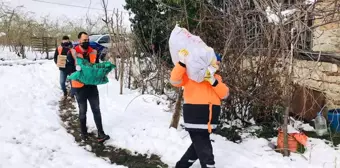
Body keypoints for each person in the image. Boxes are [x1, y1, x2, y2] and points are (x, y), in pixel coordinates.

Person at [170, 52, 230, 168]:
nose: (217, 66)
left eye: (218, 64)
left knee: (198, 147)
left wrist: (213, 81)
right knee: (206, 152)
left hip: (208, 121)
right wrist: (182, 63)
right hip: (195, 118)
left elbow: (225, 94)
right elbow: (174, 80)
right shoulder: (191, 76)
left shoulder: (217, 78)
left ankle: (181, 166)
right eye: (214, 63)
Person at [67, 32, 110, 143]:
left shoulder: (93, 51)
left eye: (87, 39)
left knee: (96, 110)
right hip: (79, 87)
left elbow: (95, 66)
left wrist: (101, 72)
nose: (86, 42)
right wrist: (75, 70)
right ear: (79, 40)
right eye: (84, 40)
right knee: (83, 111)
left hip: (92, 86)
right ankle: (83, 133)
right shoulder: (72, 52)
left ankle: (101, 133)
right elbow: (68, 69)